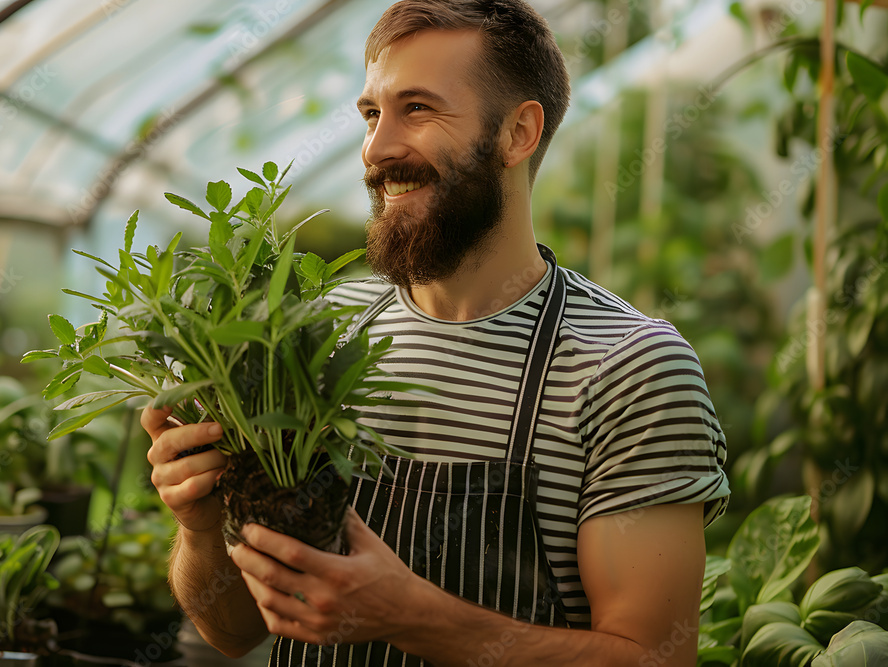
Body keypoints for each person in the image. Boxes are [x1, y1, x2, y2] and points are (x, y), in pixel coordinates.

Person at [143, 1, 730, 665]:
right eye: (372, 113)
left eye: (416, 108)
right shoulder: (314, 339)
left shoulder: (629, 368)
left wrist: (409, 614)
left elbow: (654, 658)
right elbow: (236, 630)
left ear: (518, 133)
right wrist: (199, 532)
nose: (376, 148)